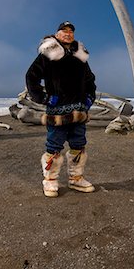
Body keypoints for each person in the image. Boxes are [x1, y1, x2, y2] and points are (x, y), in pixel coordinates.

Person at [26, 21, 96, 198]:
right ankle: (50, 181)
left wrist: (89, 98)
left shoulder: (80, 56)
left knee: (79, 145)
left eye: (71, 31)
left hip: (79, 110)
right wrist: (43, 98)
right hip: (57, 111)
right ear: (57, 34)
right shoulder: (48, 53)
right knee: (54, 145)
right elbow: (31, 77)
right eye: (64, 31)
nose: (68, 33)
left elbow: (90, 79)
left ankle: (76, 179)